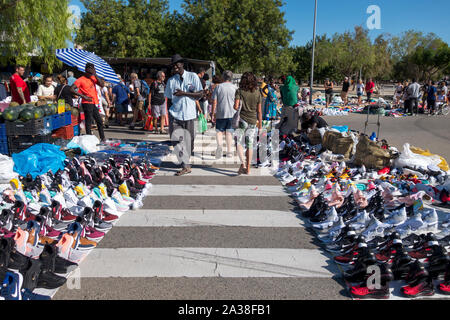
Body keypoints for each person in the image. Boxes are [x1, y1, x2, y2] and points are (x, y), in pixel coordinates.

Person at [164, 54, 204, 176]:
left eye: (177, 64)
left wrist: (185, 93)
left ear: (182, 64)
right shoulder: (171, 81)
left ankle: (186, 162)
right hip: (175, 114)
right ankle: (185, 165)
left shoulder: (193, 77)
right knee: (176, 140)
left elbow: (200, 94)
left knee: (189, 141)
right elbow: (169, 99)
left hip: (190, 115)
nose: (175, 66)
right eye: (173, 65)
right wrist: (169, 113)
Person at [234, 72, 262, 175]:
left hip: (242, 120)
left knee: (239, 142)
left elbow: (236, 107)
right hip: (253, 121)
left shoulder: (239, 91)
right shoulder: (257, 92)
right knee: (249, 144)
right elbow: (259, 111)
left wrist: (236, 103)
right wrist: (260, 125)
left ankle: (243, 164)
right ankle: (248, 168)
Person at [70, 62, 106, 142]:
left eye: (93, 69)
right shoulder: (80, 79)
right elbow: (71, 89)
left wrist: (95, 74)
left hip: (93, 102)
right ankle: (89, 138)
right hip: (86, 102)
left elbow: (102, 85)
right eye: (90, 69)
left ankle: (102, 138)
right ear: (86, 70)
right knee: (88, 121)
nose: (91, 71)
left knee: (99, 121)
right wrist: (83, 96)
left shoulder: (93, 78)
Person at [211, 70, 237, 159]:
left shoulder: (218, 87)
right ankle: (229, 152)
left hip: (220, 113)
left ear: (223, 77)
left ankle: (219, 148)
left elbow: (214, 101)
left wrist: (213, 113)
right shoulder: (235, 87)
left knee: (219, 132)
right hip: (232, 113)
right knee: (229, 132)